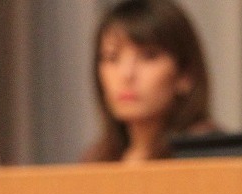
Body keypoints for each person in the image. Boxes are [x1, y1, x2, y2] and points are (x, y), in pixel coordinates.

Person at [82, 0, 216, 163]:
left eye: (148, 56)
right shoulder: (97, 160)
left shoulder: (209, 154)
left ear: (184, 74)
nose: (126, 74)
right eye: (112, 57)